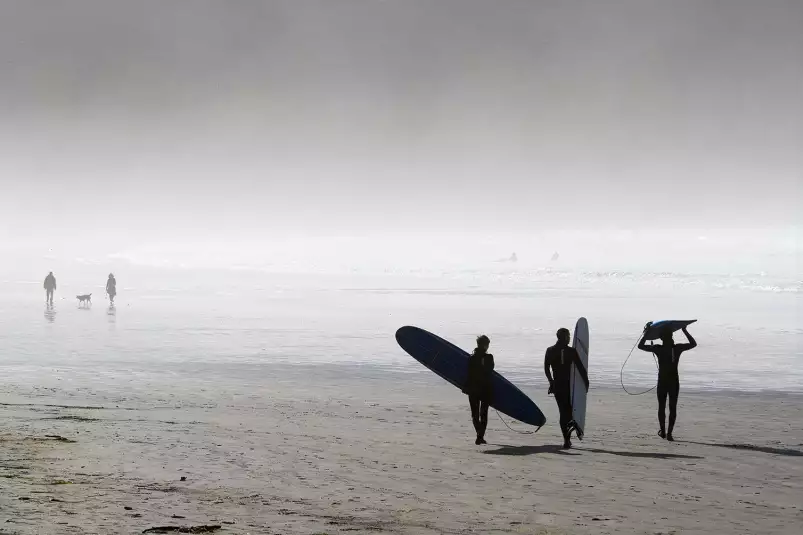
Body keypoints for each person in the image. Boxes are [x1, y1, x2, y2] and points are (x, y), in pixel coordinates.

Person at [638, 323, 697, 441]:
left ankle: (663, 432)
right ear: (672, 337)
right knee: (672, 407)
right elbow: (693, 344)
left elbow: (641, 346)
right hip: (674, 381)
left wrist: (647, 333)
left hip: (662, 381)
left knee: (661, 407)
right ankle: (669, 433)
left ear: (661, 338)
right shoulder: (677, 348)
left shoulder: (658, 349)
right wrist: (684, 331)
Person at [544, 328, 589, 449]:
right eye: (568, 336)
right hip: (570, 386)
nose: (569, 338)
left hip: (557, 385)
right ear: (564, 337)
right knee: (568, 413)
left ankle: (566, 440)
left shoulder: (550, 350)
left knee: (563, 413)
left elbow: (546, 368)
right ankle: (567, 440)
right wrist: (586, 382)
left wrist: (551, 381)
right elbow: (580, 368)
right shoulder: (571, 351)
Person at [462, 335, 494, 445]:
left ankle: (479, 434)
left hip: (473, 389)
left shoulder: (471, 358)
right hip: (485, 389)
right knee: (483, 414)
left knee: (475, 414)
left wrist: (466, 387)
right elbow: (490, 371)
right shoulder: (489, 357)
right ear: (485, 345)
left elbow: (469, 374)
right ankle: (480, 436)